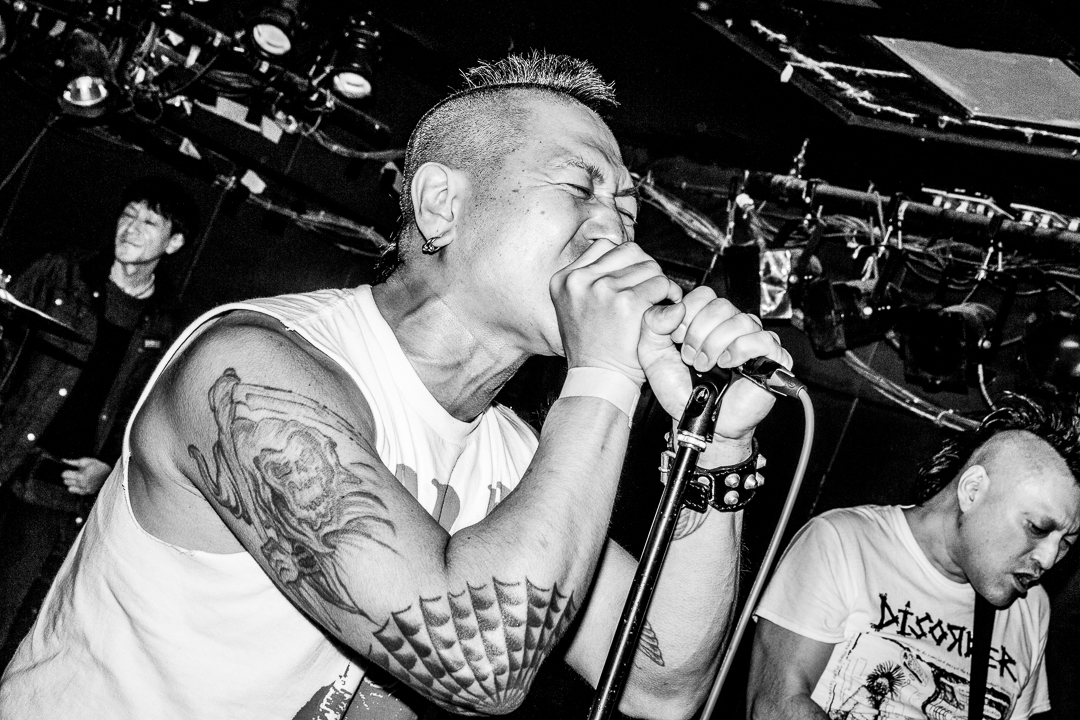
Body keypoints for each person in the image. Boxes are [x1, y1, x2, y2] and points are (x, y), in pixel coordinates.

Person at [0, 52, 790, 719]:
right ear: (442, 205)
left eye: (627, 212)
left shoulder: (524, 461)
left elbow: (660, 684)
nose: (615, 231)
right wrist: (607, 374)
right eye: (580, 188)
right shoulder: (251, 370)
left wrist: (719, 447)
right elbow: (476, 667)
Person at [746, 396, 1080, 720]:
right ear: (972, 491)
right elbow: (774, 706)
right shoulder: (843, 542)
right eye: (1037, 528)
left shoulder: (1031, 609)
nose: (1050, 558)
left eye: (1066, 542)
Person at [0, 178, 193, 653]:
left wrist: (111, 467)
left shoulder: (166, 325)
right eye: (128, 214)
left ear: (173, 243)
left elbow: (147, 413)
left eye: (149, 222)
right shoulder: (61, 273)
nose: (131, 228)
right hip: (6, 449)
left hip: (56, 487)